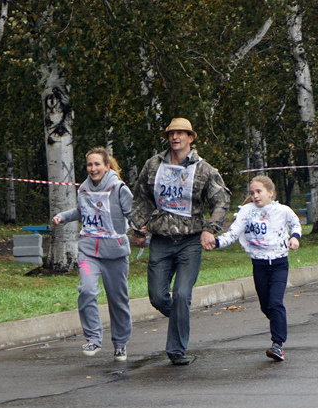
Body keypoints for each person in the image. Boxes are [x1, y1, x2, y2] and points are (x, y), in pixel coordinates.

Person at [129, 117, 231, 365]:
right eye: (171, 133)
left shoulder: (205, 169)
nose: (175, 137)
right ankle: (180, 318)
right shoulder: (153, 165)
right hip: (161, 240)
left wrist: (210, 229)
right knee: (157, 296)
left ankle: (176, 350)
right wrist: (137, 229)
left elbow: (222, 200)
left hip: (190, 241)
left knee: (182, 294)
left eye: (181, 133)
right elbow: (141, 197)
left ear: (190, 138)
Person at [52, 147, 134, 361]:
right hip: (89, 251)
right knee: (87, 291)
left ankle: (120, 343)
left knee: (118, 300)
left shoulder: (118, 188)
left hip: (115, 253)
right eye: (89, 164)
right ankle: (93, 339)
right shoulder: (83, 189)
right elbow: (81, 211)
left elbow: (134, 213)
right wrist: (63, 216)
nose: (93, 168)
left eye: (97, 164)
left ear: (107, 166)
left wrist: (144, 232)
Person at [214, 175, 302, 359]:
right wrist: (215, 243)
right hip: (259, 264)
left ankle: (278, 344)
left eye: (259, 191)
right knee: (266, 306)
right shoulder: (246, 212)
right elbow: (232, 233)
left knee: (275, 302)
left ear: (270, 192)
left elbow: (296, 224)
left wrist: (295, 237)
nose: (255, 195)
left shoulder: (282, 210)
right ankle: (279, 323)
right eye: (252, 192)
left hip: (279, 264)